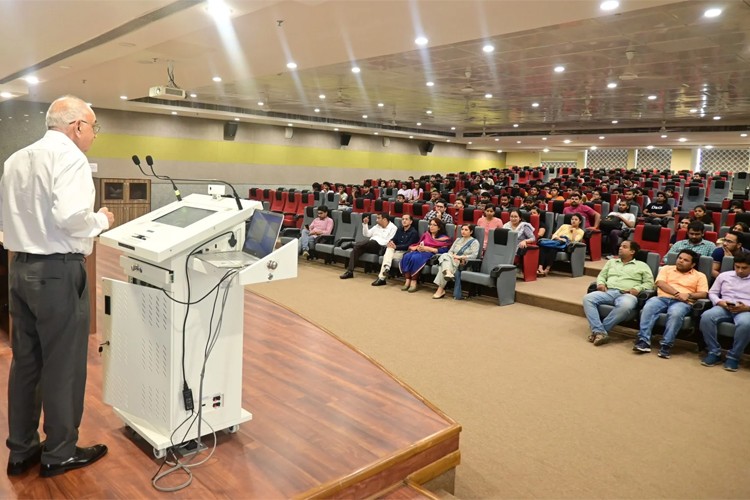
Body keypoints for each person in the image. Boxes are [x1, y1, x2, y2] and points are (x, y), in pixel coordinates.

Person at [0, 95, 112, 477]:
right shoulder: (71, 158)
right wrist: (100, 219)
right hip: (57, 272)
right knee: (63, 365)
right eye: (93, 127)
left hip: (19, 269)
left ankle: (21, 450)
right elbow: (71, 218)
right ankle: (61, 451)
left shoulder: (16, 159)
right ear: (77, 126)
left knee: (26, 363)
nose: (93, 135)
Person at [633, 250, 708, 358]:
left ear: (693, 264)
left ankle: (666, 345)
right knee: (649, 306)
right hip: (662, 298)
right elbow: (660, 283)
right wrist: (677, 293)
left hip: (683, 302)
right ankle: (643, 341)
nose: (681, 261)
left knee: (675, 313)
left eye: (685, 260)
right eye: (680, 258)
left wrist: (689, 295)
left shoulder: (700, 276)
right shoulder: (666, 268)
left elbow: (703, 294)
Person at [582, 241, 654, 346]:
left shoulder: (642, 265)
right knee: (588, 298)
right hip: (608, 291)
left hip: (627, 294)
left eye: (624, 247)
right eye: (620, 246)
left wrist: (638, 288)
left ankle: (599, 331)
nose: (620, 248)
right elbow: (602, 276)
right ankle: (599, 331)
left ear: (632, 251)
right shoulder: (611, 262)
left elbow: (649, 283)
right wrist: (601, 283)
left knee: (626, 305)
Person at [700, 254, 750, 372]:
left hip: (745, 310)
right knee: (706, 317)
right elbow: (712, 293)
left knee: (746, 324)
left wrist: (747, 308)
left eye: (744, 268)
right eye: (737, 267)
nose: (740, 270)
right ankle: (714, 351)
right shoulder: (724, 276)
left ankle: (734, 356)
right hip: (724, 307)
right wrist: (719, 302)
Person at [399, 218, 452, 292]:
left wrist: (427, 248)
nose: (431, 226)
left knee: (415, 258)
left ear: (439, 227)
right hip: (420, 251)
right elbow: (419, 243)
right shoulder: (426, 234)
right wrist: (418, 247)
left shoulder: (444, 238)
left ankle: (414, 281)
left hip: (431, 254)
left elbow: (444, 250)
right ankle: (407, 280)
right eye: (430, 225)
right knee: (407, 256)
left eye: (434, 225)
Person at [340, 213, 397, 279]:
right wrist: (365, 224)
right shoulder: (377, 226)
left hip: (380, 247)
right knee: (356, 248)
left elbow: (389, 241)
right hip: (369, 244)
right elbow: (366, 234)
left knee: (372, 242)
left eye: (378, 218)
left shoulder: (393, 228)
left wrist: (376, 240)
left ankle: (352, 244)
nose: (376, 220)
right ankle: (349, 271)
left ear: (384, 219)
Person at [432, 224, 480, 299]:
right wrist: (452, 256)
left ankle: (441, 288)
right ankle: (447, 273)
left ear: (471, 232)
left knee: (444, 260)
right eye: (462, 229)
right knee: (445, 255)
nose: (463, 231)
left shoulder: (474, 242)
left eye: (466, 230)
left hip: (463, 264)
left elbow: (474, 256)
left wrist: (459, 257)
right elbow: (450, 251)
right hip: (452, 260)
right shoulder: (458, 240)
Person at [371, 214, 419, 286]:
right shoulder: (399, 229)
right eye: (403, 219)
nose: (404, 221)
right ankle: (386, 268)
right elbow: (394, 239)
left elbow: (408, 246)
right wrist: (391, 242)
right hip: (396, 251)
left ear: (411, 221)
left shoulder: (414, 232)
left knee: (387, 255)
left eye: (406, 219)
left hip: (405, 253)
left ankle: (382, 277)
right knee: (389, 249)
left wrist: (395, 246)